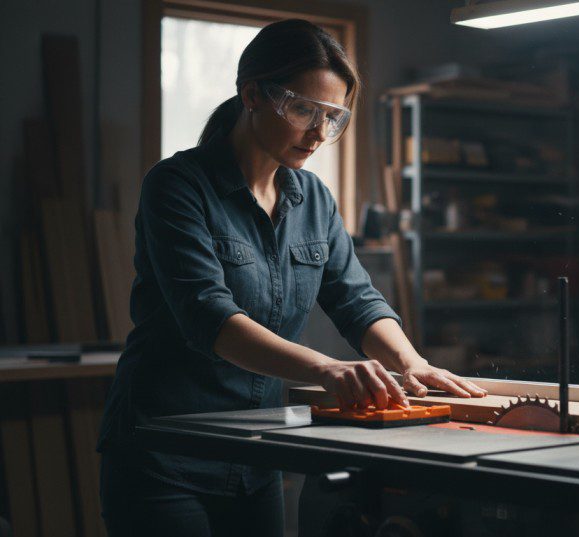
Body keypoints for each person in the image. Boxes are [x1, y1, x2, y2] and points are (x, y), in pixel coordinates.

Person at [97, 19, 485, 537]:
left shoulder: (314, 199)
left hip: (254, 455)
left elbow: (356, 300)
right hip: (164, 452)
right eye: (304, 111)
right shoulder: (176, 186)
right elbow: (209, 318)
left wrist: (413, 364)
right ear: (252, 94)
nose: (319, 134)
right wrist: (328, 368)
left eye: (333, 117)